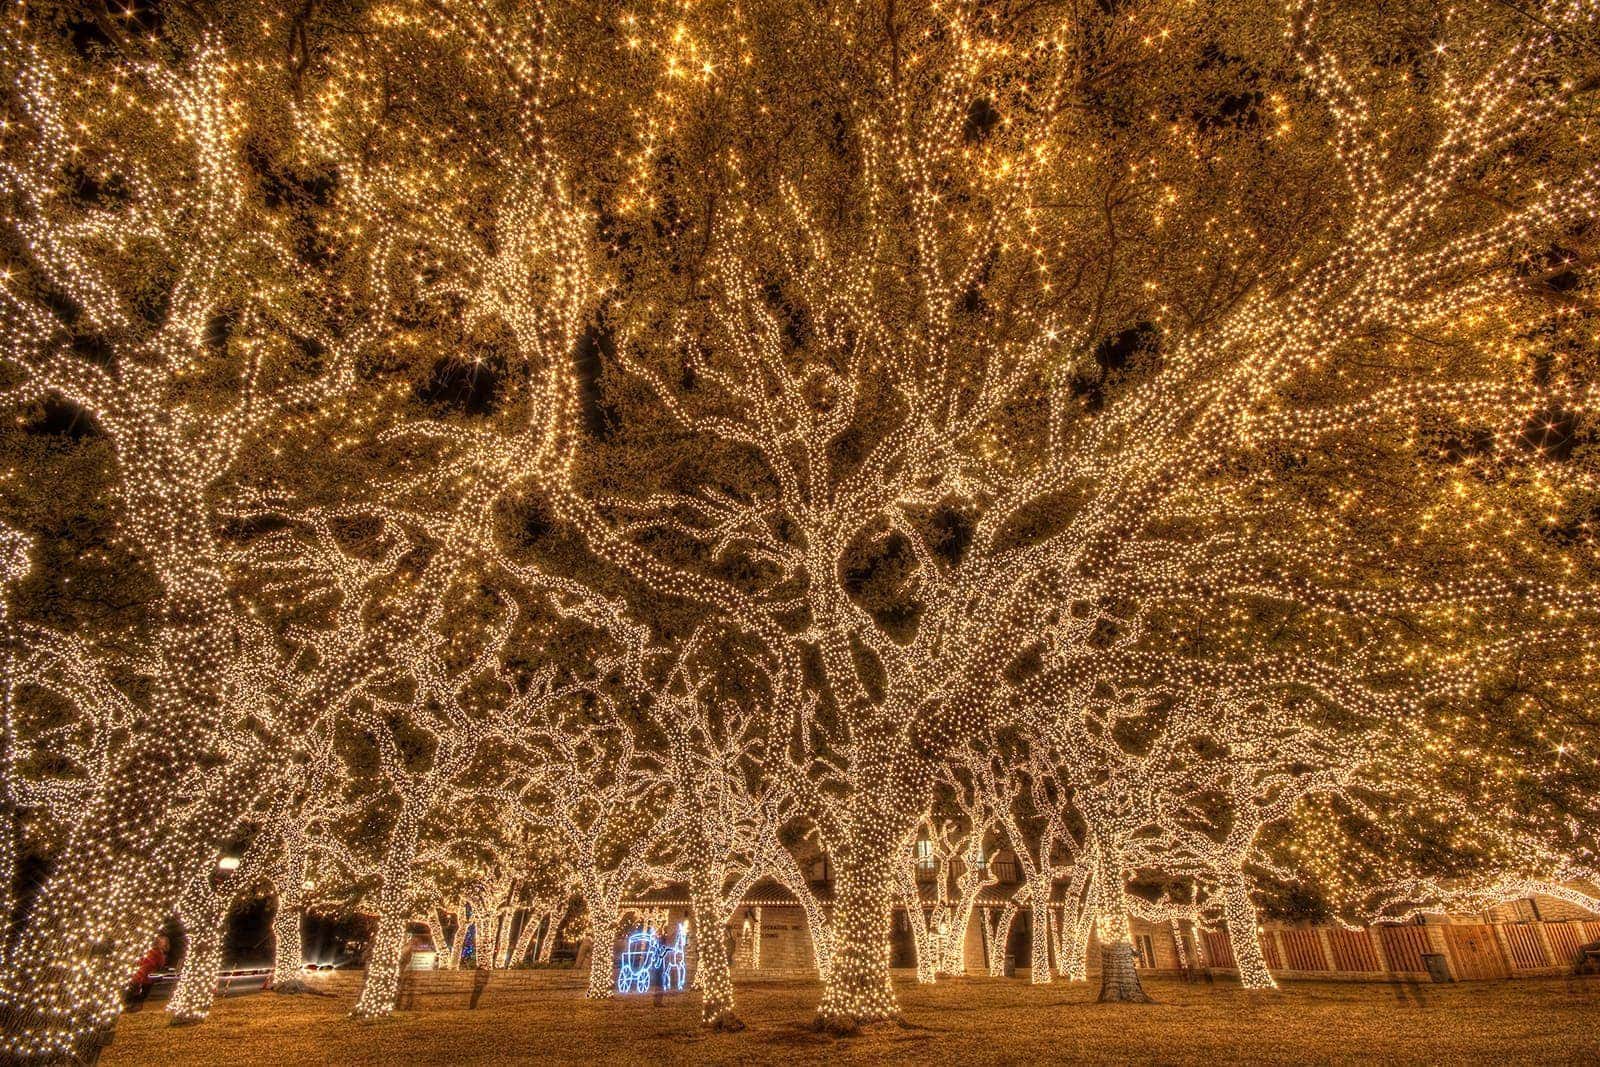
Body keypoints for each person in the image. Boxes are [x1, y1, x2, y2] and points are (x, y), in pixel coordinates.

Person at [124, 934, 169, 1010]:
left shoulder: (151, 952)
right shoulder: (157, 953)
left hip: (142, 975)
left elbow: (143, 961)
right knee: (142, 992)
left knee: (138, 991)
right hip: (146, 976)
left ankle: (133, 1005)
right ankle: (134, 1005)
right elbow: (158, 964)